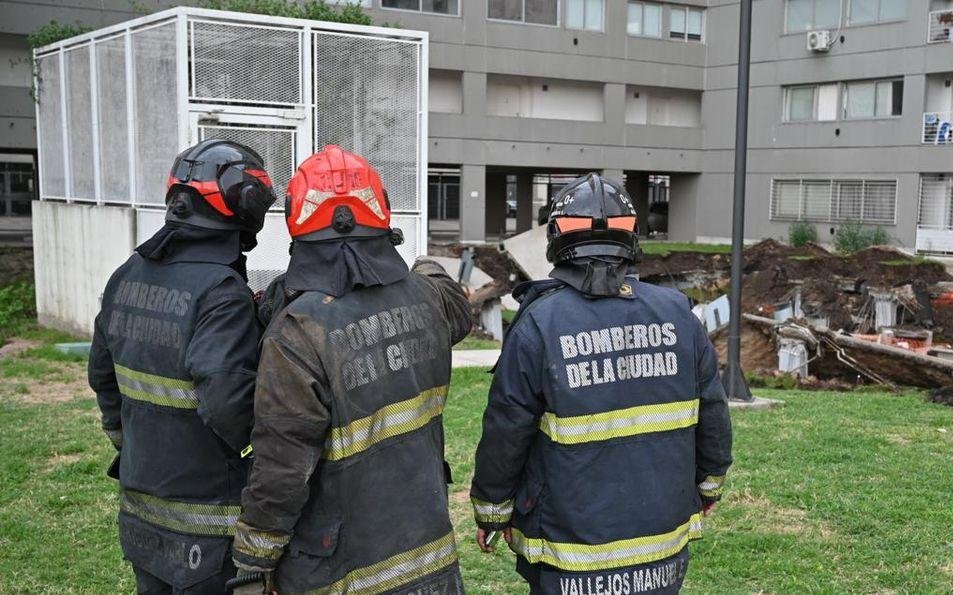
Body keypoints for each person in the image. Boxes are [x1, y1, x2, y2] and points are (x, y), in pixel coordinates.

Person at [469, 173, 733, 594]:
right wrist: (708, 487)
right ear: (630, 240)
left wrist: (492, 511)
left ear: (556, 238)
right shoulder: (680, 314)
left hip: (568, 553)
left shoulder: (539, 323)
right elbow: (713, 415)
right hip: (661, 551)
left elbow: (506, 430)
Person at [230, 145, 472, 594]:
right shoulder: (429, 299)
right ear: (381, 213)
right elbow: (454, 301)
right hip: (429, 558)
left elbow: (281, 465)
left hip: (339, 571)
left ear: (297, 222)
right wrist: (424, 264)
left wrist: (252, 561)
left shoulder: (298, 332)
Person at [88, 139, 276, 594]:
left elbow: (102, 375)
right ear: (243, 203)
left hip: (140, 512)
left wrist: (130, 441)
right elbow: (227, 399)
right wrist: (268, 460)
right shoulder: (220, 292)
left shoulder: (127, 275)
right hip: (207, 529)